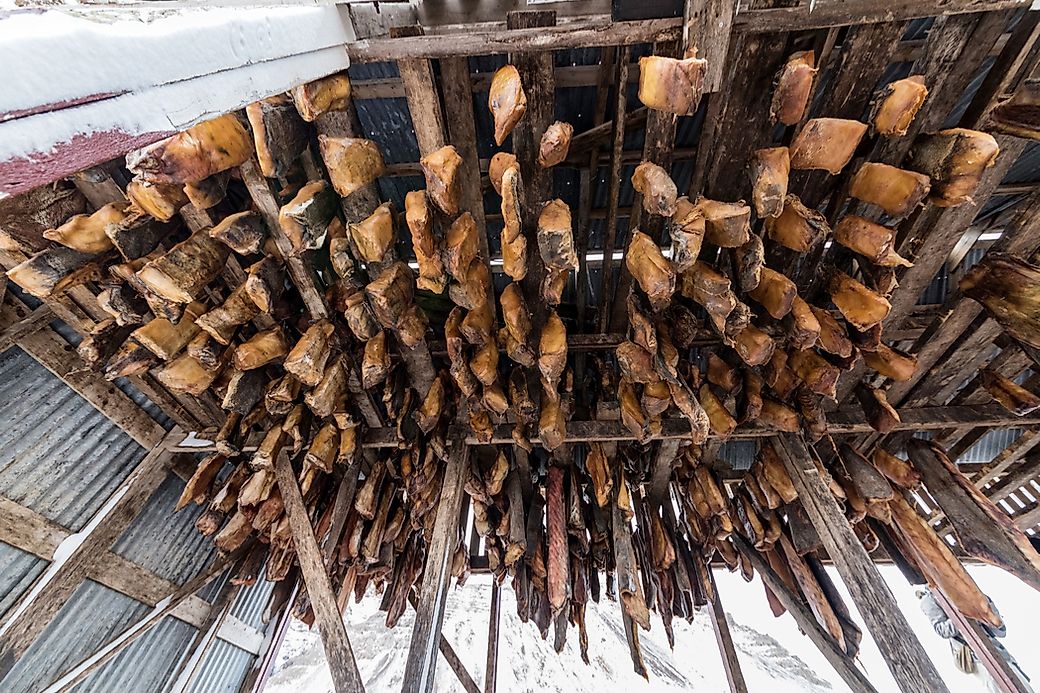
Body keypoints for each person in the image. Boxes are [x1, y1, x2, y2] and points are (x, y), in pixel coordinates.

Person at [916, 586, 1032, 692]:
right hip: (976, 656)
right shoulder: (929, 599)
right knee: (998, 685)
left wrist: (986, 605)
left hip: (998, 652)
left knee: (1022, 685)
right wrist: (962, 613)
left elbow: (999, 630)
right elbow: (942, 630)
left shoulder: (958, 587)